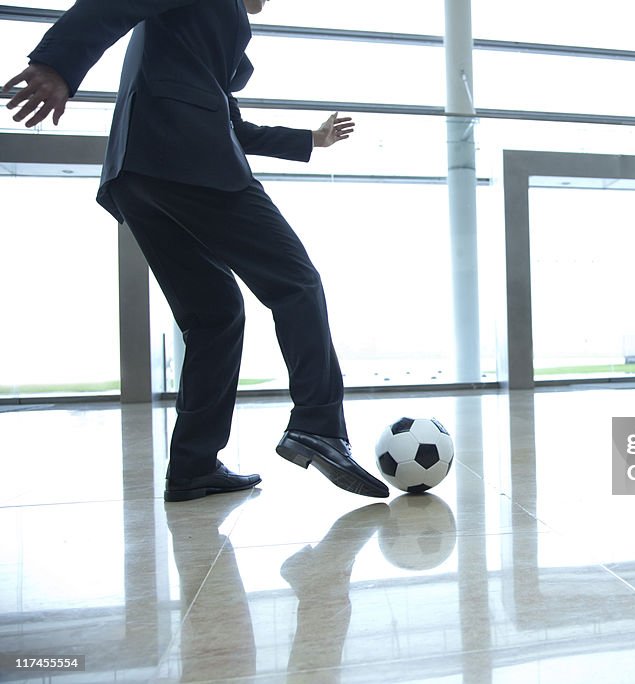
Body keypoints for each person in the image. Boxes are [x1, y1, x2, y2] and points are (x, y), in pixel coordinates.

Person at [2, 0, 390, 501]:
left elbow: (232, 123)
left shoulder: (208, 32)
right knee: (296, 281)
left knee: (215, 314)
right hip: (191, 159)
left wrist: (309, 139)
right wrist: (58, 64)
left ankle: (193, 465)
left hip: (141, 172)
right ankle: (318, 423)